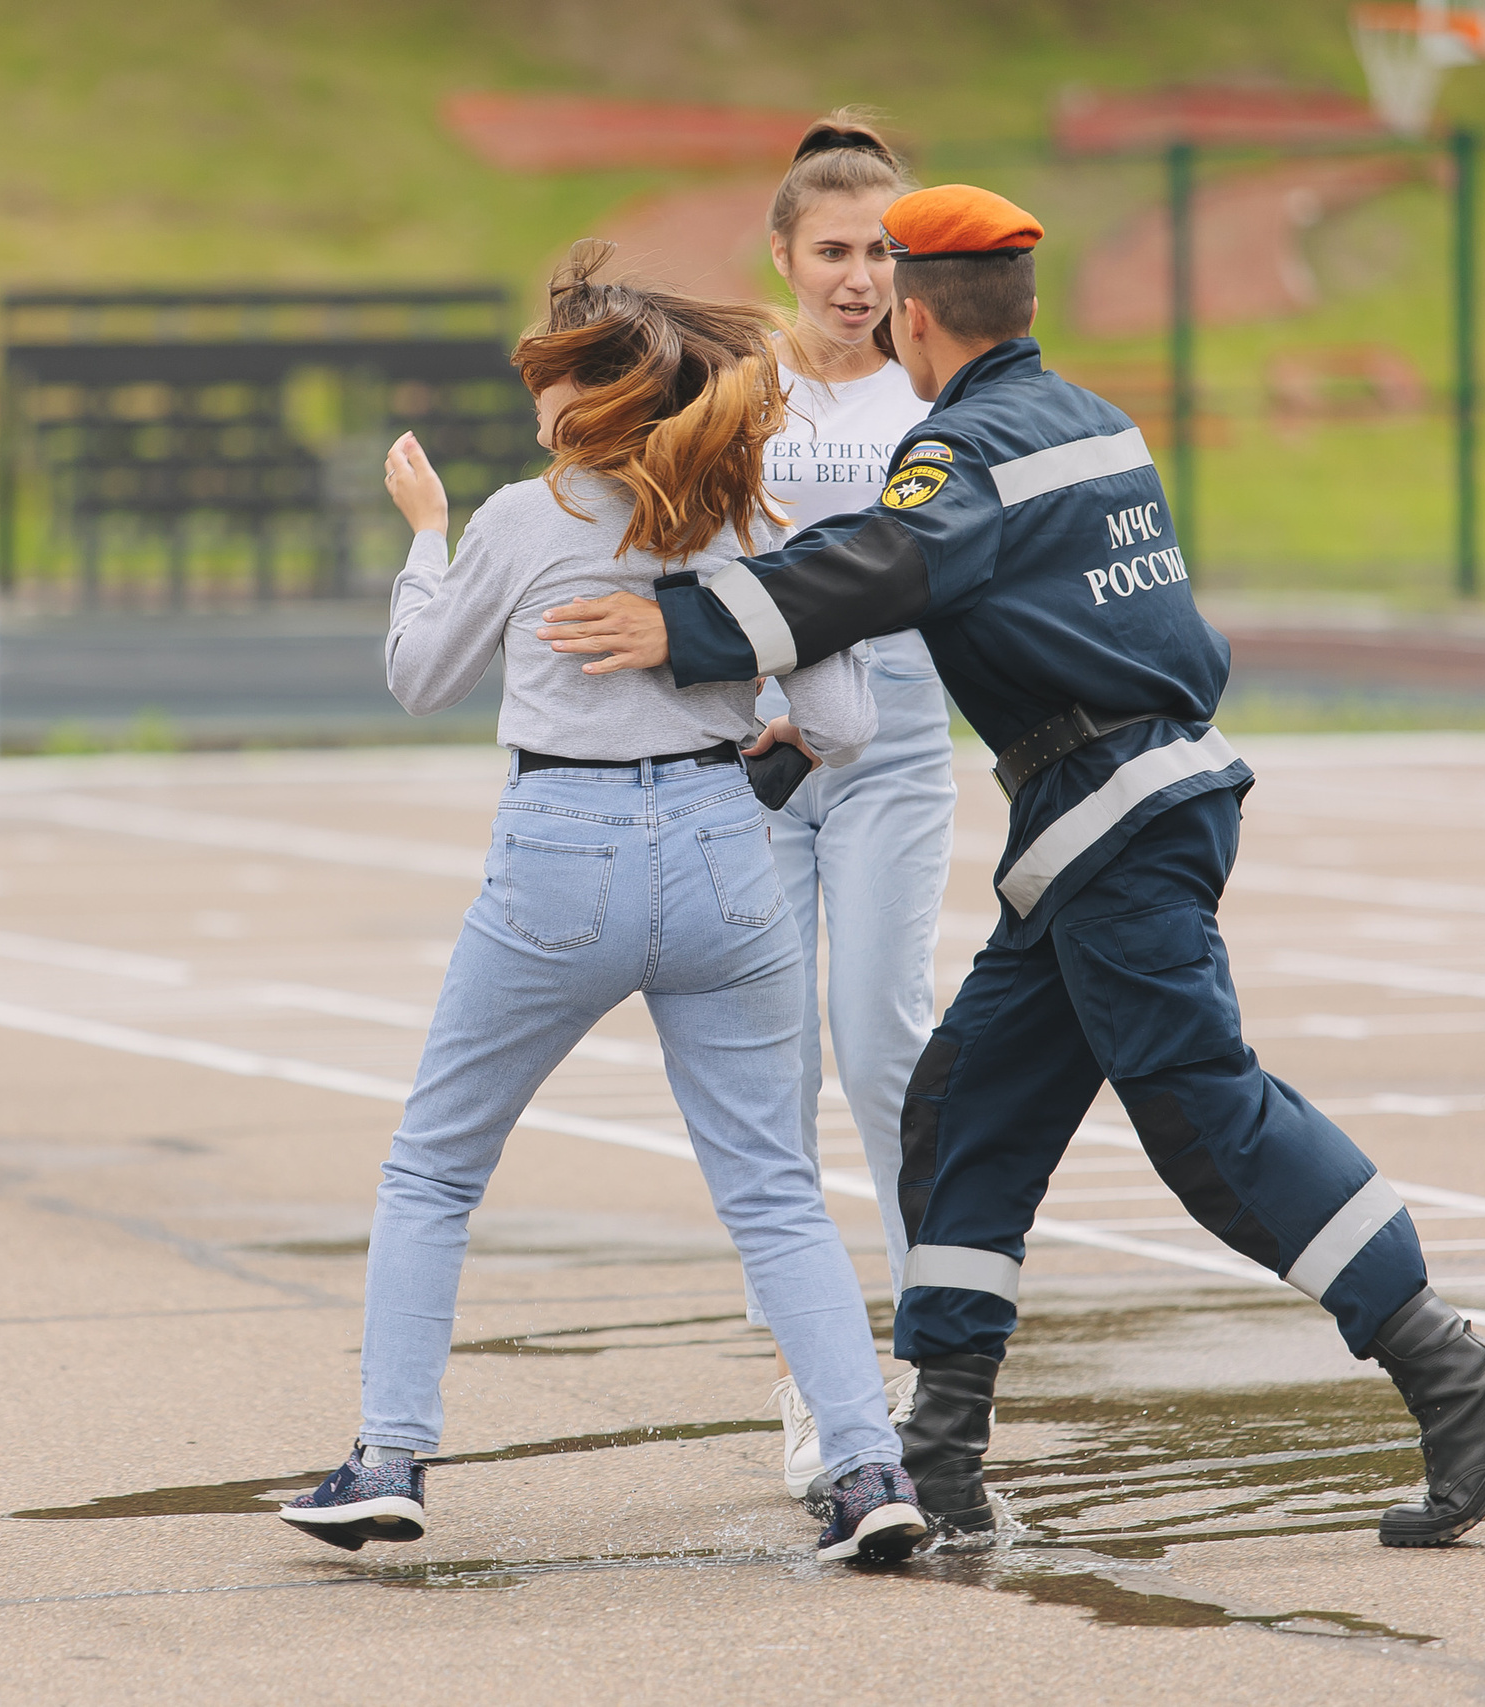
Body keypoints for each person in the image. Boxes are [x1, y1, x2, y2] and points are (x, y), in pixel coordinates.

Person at [535, 186, 1485, 1549]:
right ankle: (944, 1453)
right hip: (1111, 809)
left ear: (913, 313)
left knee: (1207, 1116)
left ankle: (1458, 1376)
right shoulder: (1090, 419)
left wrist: (683, 622)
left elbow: (881, 566)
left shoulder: (953, 449)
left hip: (1112, 811)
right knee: (965, 1106)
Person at [278, 242, 927, 1566]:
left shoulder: (526, 518)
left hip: (558, 853)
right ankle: (868, 1472)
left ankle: (389, 1456)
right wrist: (768, 753)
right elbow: (848, 717)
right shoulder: (754, 525)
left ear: (585, 397)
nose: (533, 402)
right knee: (777, 1191)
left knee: (436, 1164)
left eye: (547, 379)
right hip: (723, 855)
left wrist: (423, 537)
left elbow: (419, 673)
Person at [742, 111, 960, 1507]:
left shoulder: (935, 406)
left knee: (883, 1044)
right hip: (758, 772)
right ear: (783, 254)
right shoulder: (742, 396)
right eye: (833, 248)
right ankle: (814, 1374)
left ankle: (933, 1352)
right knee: (764, 1076)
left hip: (893, 761)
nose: (859, 274)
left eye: (882, 249)